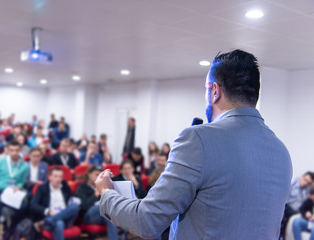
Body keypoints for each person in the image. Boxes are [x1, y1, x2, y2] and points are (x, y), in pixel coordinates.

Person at [95, 49, 292, 239]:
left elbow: (147, 221)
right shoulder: (282, 152)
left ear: (214, 91)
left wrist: (106, 193)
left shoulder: (199, 139)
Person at [0, 140, 29, 240]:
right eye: (12, 150)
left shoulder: (24, 165)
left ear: (20, 151)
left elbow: (21, 182)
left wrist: (19, 186)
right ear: (8, 150)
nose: (14, 153)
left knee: (24, 207)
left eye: (16, 150)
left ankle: (9, 232)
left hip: (11, 193)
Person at [30, 167, 80, 240]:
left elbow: (72, 200)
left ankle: (47, 221)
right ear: (50, 177)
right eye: (56, 176)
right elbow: (33, 205)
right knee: (59, 223)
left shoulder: (65, 186)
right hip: (50, 216)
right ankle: (49, 220)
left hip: (65, 217)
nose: (58, 179)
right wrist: (49, 211)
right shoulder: (42, 188)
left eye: (60, 176)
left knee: (75, 206)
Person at [76, 166, 118, 240]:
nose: (99, 177)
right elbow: (84, 206)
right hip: (87, 216)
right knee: (101, 207)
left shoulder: (102, 187)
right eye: (96, 174)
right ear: (89, 174)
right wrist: (95, 194)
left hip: (102, 215)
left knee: (110, 218)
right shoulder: (82, 187)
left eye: (100, 175)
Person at [281, 172, 314, 236]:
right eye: (305, 180)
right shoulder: (295, 181)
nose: (305, 183)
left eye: (308, 183)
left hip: (294, 211)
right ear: (302, 177)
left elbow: (306, 204)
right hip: (286, 205)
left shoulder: (307, 190)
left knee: (292, 219)